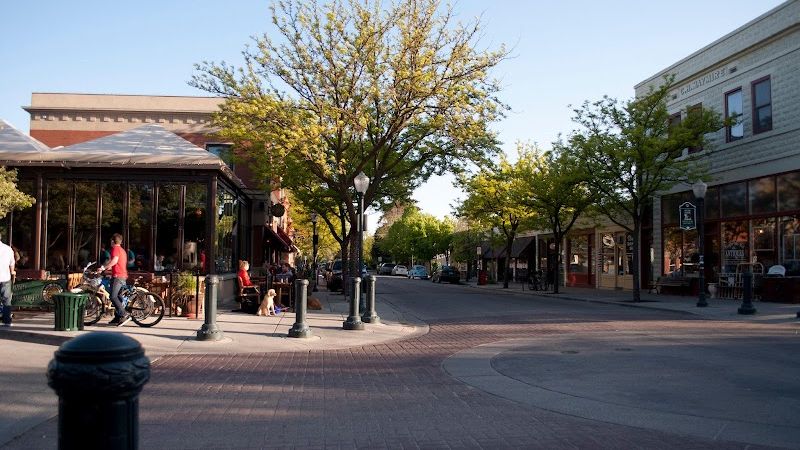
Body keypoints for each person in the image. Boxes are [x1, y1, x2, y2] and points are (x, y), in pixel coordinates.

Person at [98, 233, 130, 326]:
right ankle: (117, 317)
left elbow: (114, 261)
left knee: (113, 296)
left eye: (111, 241)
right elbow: (117, 263)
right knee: (118, 297)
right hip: (122, 275)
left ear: (112, 241)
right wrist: (107, 268)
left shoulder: (115, 249)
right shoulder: (122, 250)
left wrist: (103, 268)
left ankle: (124, 314)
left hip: (118, 276)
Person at [0, 233, 16, 327]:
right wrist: (12, 271)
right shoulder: (8, 248)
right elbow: (12, 263)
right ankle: (6, 321)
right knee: (6, 301)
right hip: (5, 277)